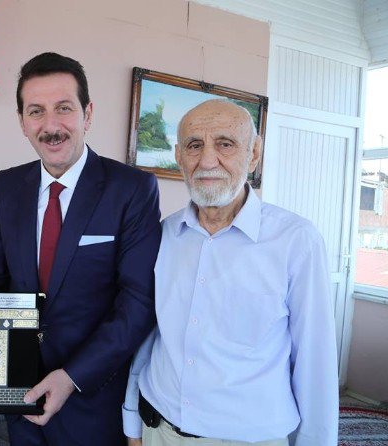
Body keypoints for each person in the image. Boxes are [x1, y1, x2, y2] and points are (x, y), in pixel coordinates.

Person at [123, 99, 339, 446]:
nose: (208, 161)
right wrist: (132, 424)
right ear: (179, 156)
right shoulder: (163, 235)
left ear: (254, 153)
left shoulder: (296, 240)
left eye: (225, 143)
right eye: (195, 145)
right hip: (157, 432)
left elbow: (316, 364)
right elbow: (150, 338)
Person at [0, 52, 162, 445]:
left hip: (92, 401)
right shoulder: (6, 187)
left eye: (64, 109)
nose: (51, 126)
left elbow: (138, 301)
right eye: (36, 111)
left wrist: (71, 378)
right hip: (18, 398)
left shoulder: (131, 189)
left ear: (87, 114)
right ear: (22, 122)